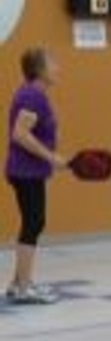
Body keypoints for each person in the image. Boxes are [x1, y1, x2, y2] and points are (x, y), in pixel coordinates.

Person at [5, 48, 68, 304]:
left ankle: (17, 283)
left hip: (28, 171)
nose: (57, 68)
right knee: (34, 223)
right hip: (26, 171)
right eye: (52, 63)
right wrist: (52, 157)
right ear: (39, 69)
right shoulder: (32, 95)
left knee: (33, 222)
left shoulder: (35, 94)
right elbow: (20, 134)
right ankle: (23, 286)